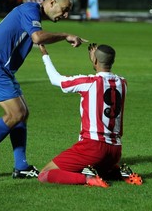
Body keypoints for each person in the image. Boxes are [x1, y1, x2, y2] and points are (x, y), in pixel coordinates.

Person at [0, 0, 87, 179]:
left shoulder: (32, 13)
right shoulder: (30, 10)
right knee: (16, 113)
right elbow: (37, 38)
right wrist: (65, 35)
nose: (65, 15)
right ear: (51, 3)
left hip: (1, 68)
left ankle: (21, 166)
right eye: (64, 9)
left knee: (23, 114)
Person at [37, 43, 142, 188]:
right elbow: (104, 76)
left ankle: (88, 179)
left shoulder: (89, 83)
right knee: (93, 167)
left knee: (45, 173)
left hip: (92, 147)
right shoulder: (122, 83)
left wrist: (44, 54)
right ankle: (122, 173)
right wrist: (96, 61)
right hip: (115, 151)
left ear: (95, 60)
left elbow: (55, 79)